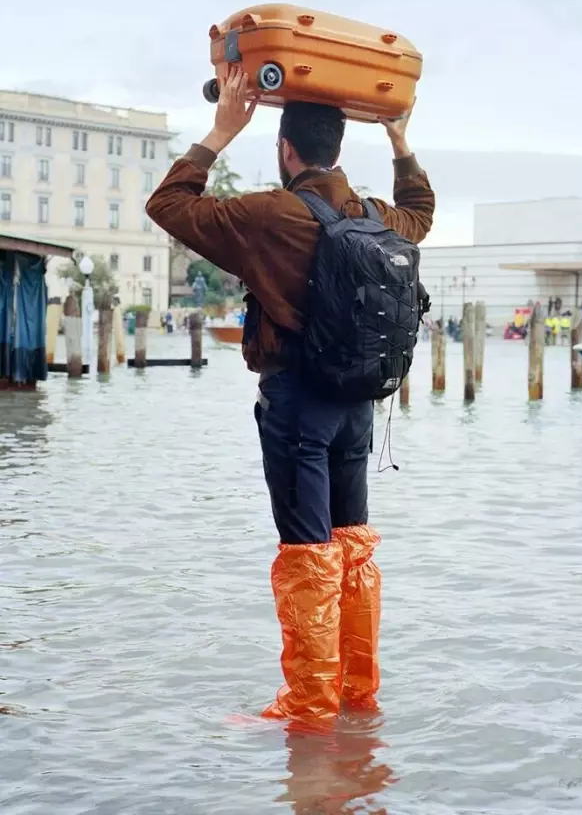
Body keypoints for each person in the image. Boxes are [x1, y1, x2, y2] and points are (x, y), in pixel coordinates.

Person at [145, 67, 435, 724]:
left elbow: (169, 207)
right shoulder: (372, 216)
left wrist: (221, 130)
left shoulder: (272, 215)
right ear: (337, 148)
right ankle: (356, 693)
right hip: (357, 408)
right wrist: (400, 141)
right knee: (351, 543)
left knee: (306, 553)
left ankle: (309, 709)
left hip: (298, 405)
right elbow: (420, 214)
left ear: (286, 151)